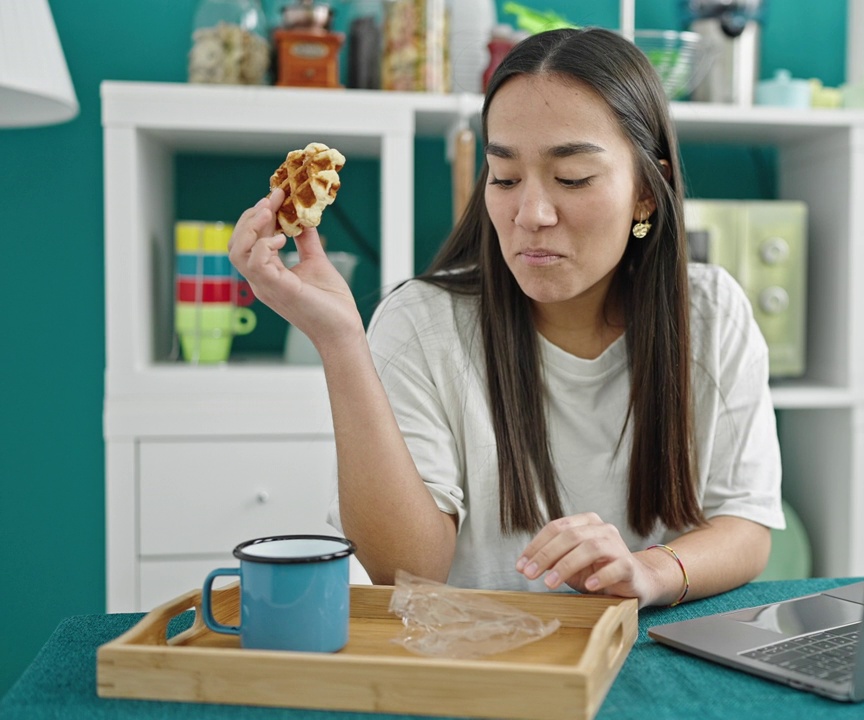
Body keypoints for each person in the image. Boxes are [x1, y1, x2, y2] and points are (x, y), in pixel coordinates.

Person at [228, 27, 783, 608]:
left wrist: (648, 573)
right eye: (505, 178)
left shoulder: (711, 312)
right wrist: (339, 340)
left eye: (572, 178)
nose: (531, 214)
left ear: (649, 189)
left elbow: (745, 526)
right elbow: (404, 571)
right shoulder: (422, 322)